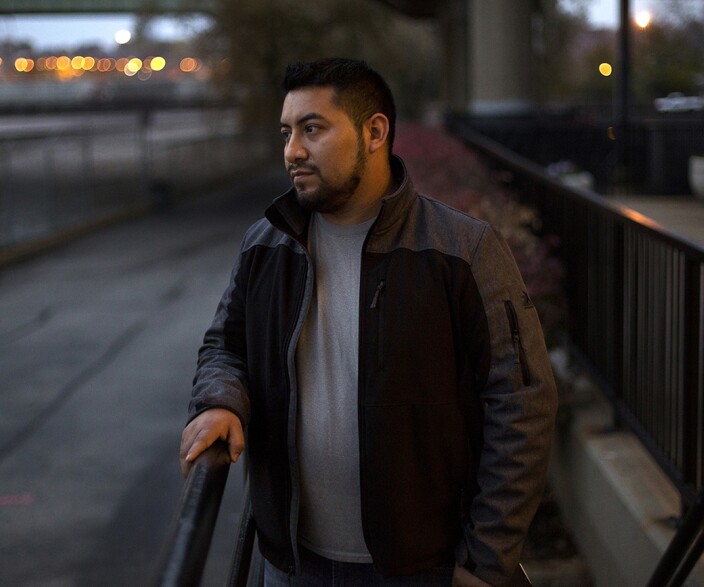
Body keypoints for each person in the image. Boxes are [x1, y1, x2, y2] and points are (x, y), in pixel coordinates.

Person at [180, 58, 558, 587]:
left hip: (422, 571)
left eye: (312, 129)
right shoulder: (267, 245)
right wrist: (220, 400)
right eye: (287, 132)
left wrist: (485, 560)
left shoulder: (461, 250)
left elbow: (522, 403)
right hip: (291, 565)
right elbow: (226, 344)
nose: (292, 151)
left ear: (374, 131)